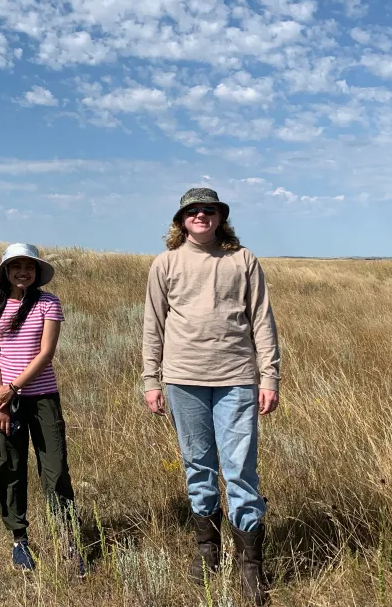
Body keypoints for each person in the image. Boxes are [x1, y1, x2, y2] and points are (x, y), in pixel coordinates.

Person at [142, 188, 280, 606]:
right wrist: (151, 379)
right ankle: (208, 553)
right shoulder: (165, 263)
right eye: (193, 210)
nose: (201, 215)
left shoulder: (243, 259)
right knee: (197, 465)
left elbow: (262, 319)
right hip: (183, 379)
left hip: (237, 377)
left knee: (240, 470)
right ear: (181, 220)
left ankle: (250, 566)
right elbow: (153, 324)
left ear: (220, 217)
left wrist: (269, 377)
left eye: (209, 210)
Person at [0, 243, 82, 574]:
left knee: (56, 470)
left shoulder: (48, 303)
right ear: (6, 272)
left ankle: (68, 541)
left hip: (42, 398)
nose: (23, 272)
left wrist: (13, 388)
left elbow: (46, 353)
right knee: (9, 467)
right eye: (16, 266)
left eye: (29, 266)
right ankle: (19, 540)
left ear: (37, 272)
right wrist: (1, 398)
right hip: (3, 399)